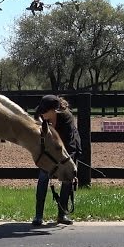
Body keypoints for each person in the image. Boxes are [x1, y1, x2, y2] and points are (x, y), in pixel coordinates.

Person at [32, 94, 82, 226]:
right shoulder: (40, 118)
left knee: (67, 179)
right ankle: (38, 215)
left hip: (66, 148)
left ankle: (62, 214)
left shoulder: (67, 119)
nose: (42, 113)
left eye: (45, 111)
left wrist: (69, 165)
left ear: (54, 110)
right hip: (49, 152)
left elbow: (69, 145)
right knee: (43, 177)